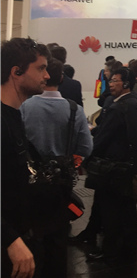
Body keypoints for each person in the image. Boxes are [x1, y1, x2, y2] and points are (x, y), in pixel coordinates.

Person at [20, 57, 93, 277]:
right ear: (61, 78)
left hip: (29, 182)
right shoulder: (74, 109)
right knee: (58, 236)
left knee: (31, 234)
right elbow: (86, 147)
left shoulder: (25, 106)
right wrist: (71, 161)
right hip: (61, 184)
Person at [85, 67, 137, 262]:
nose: (110, 84)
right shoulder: (136, 103)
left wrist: (87, 157)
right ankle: (128, 248)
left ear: (126, 83)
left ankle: (110, 250)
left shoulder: (118, 107)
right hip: (129, 164)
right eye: (110, 81)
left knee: (111, 210)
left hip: (114, 166)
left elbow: (103, 139)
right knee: (127, 209)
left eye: (114, 81)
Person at [2, 37, 50, 278]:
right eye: (41, 68)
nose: (47, 75)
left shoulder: (13, 116)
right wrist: (10, 240)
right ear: (17, 72)